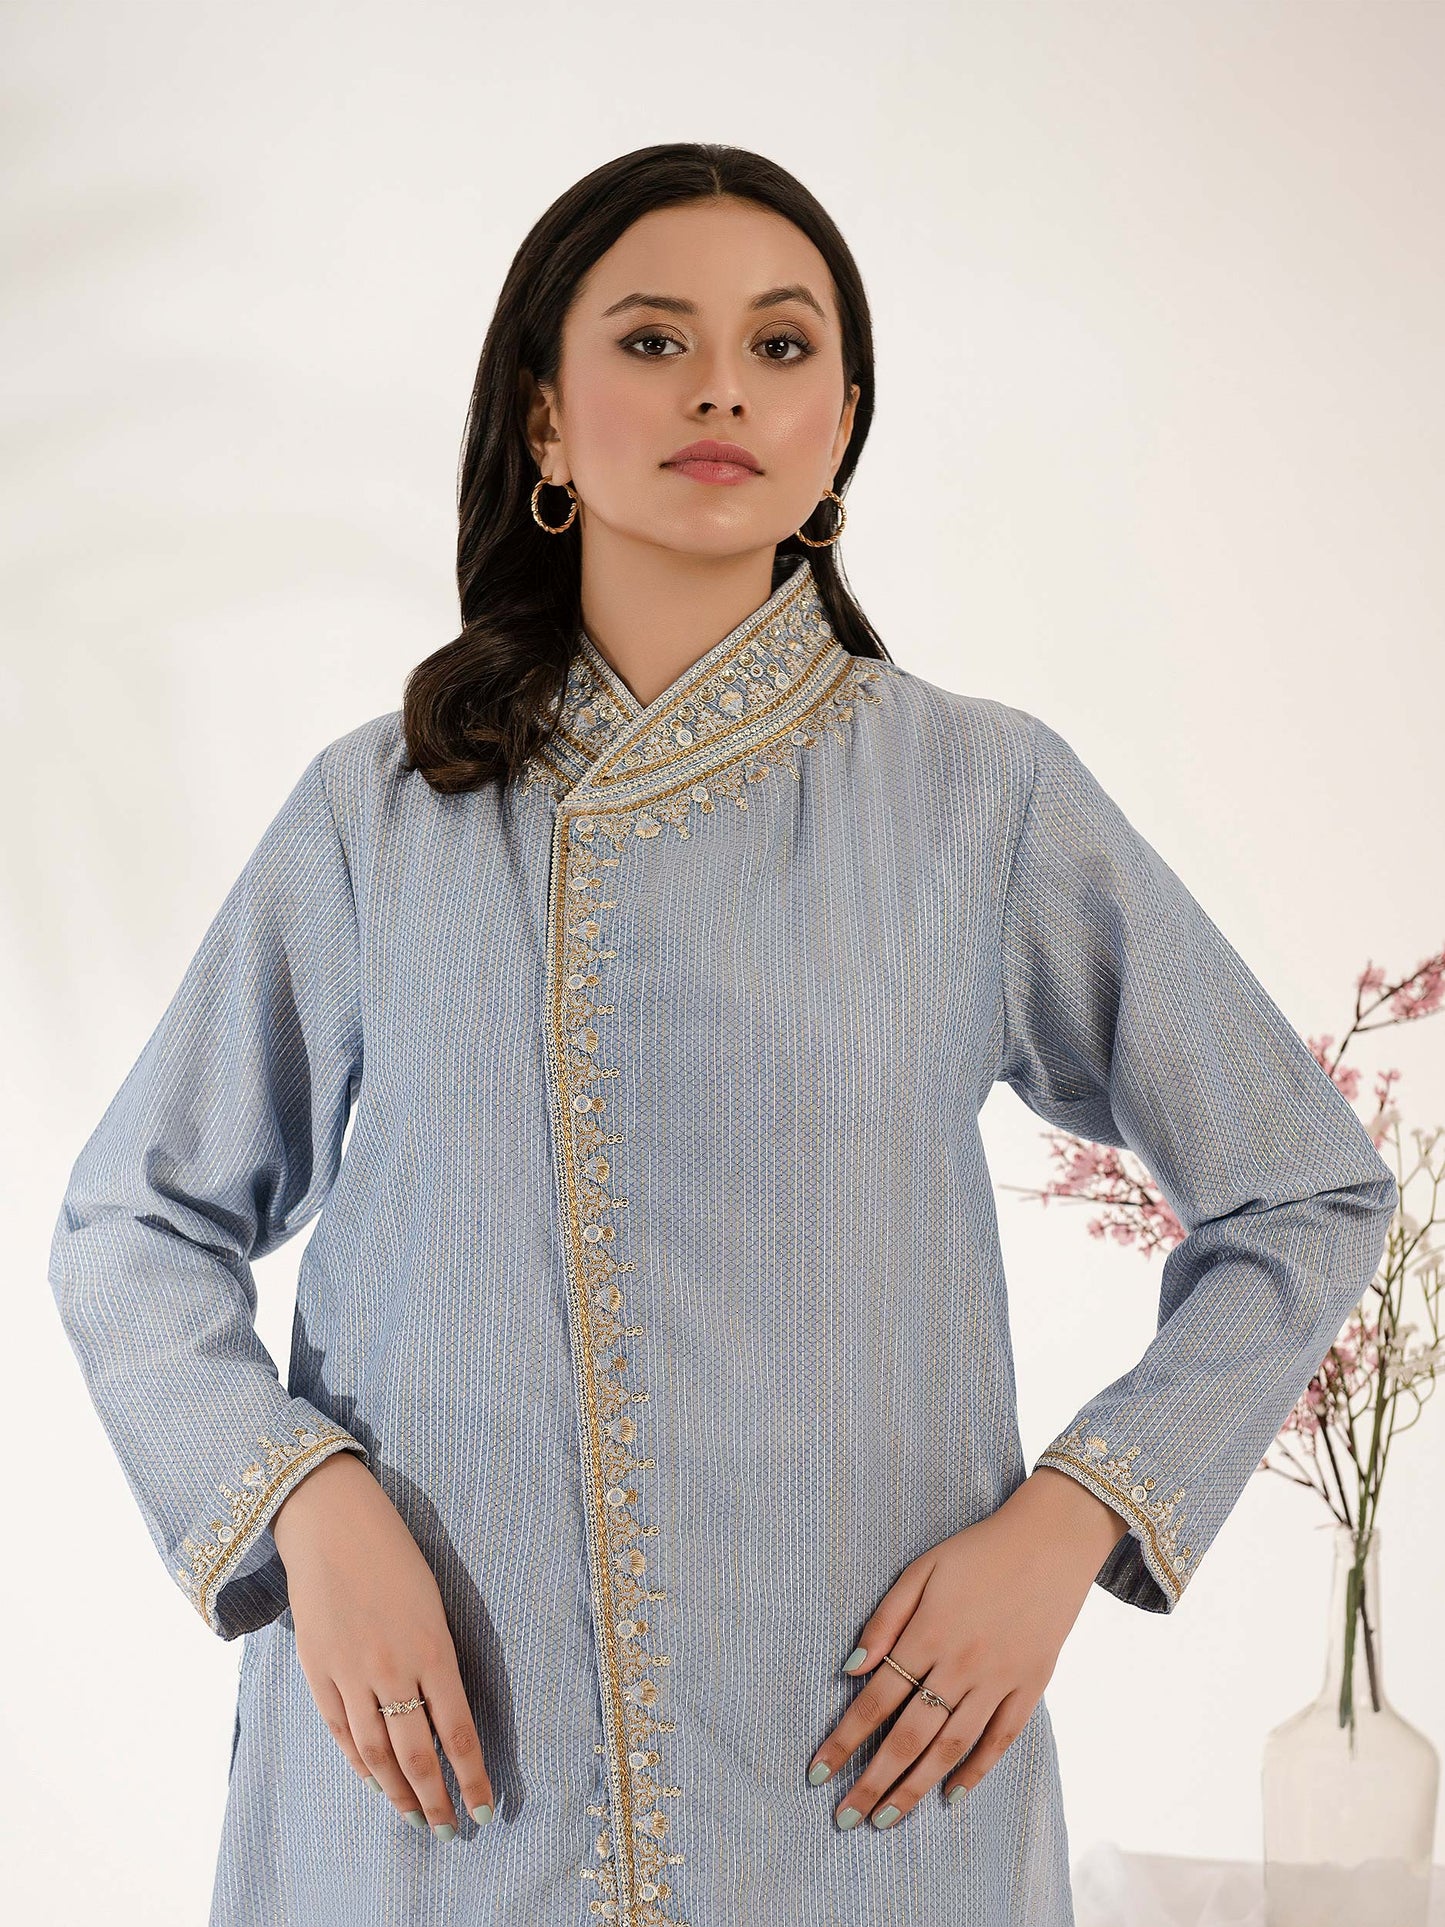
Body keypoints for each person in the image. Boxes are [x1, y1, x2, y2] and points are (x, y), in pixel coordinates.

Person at [48, 142, 1398, 1927]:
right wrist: (301, 1501)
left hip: (856, 1779)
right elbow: (132, 1223)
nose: (718, 389)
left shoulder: (979, 798)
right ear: (542, 421)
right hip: (431, 1791)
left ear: (842, 423)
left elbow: (1301, 1190)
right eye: (650, 339)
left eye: (778, 345)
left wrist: (1073, 1518)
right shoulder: (380, 815)